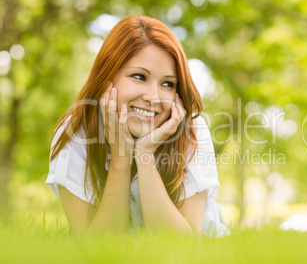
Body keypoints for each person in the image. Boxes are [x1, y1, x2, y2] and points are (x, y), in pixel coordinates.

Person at [46, 14, 230, 237]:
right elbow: (96, 246)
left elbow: (182, 245)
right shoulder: (76, 132)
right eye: (139, 77)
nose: (153, 97)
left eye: (167, 84)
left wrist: (145, 153)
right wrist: (121, 159)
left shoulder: (191, 130)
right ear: (107, 77)